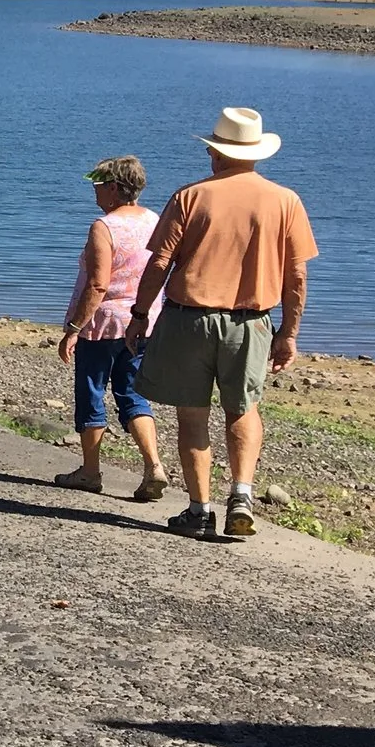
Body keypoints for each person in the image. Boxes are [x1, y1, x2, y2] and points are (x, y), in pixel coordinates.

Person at [125, 108, 317, 541]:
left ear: (215, 152)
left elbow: (159, 263)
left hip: (188, 319)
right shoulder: (285, 201)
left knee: (192, 415)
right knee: (243, 408)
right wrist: (289, 333)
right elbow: (297, 276)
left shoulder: (189, 196)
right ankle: (243, 496)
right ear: (256, 154)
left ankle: (198, 510)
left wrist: (140, 314)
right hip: (251, 322)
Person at [55, 155, 171, 501]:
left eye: (99, 184)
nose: (95, 191)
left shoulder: (104, 227)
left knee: (91, 393)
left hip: (102, 324)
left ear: (115, 189)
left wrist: (75, 327)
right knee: (133, 394)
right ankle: (154, 466)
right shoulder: (155, 221)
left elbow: (97, 285)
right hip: (143, 321)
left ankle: (90, 472)